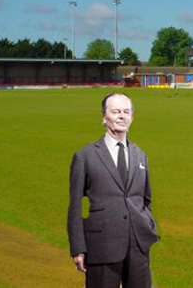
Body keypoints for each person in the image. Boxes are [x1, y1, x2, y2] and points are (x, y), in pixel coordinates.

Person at [67, 93, 159, 288]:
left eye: (126, 112)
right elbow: (75, 206)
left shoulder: (141, 156)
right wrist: (78, 248)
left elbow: (146, 199)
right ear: (104, 117)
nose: (121, 116)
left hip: (138, 245)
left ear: (132, 117)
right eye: (115, 111)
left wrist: (148, 224)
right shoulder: (85, 156)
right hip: (102, 245)